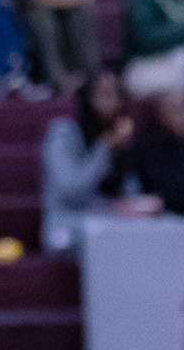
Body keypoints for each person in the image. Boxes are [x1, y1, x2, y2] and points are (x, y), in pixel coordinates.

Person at [41, 72, 149, 255]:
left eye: (118, 95)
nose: (114, 102)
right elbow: (71, 189)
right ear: (87, 99)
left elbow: (127, 190)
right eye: (106, 94)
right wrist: (104, 148)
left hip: (107, 223)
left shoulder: (122, 139)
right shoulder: (62, 134)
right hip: (65, 228)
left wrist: (137, 204)